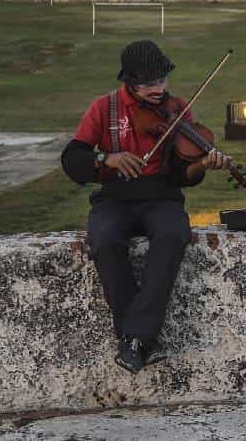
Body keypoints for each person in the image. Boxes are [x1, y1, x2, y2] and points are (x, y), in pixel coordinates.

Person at [60, 40, 233, 374]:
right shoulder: (104, 108)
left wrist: (201, 165)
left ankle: (134, 339)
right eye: (149, 83)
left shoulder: (177, 109)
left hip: (161, 197)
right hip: (115, 198)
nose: (159, 89)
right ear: (129, 81)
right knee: (105, 240)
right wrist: (106, 158)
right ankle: (142, 340)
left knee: (173, 233)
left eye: (162, 80)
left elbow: (182, 174)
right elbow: (72, 158)